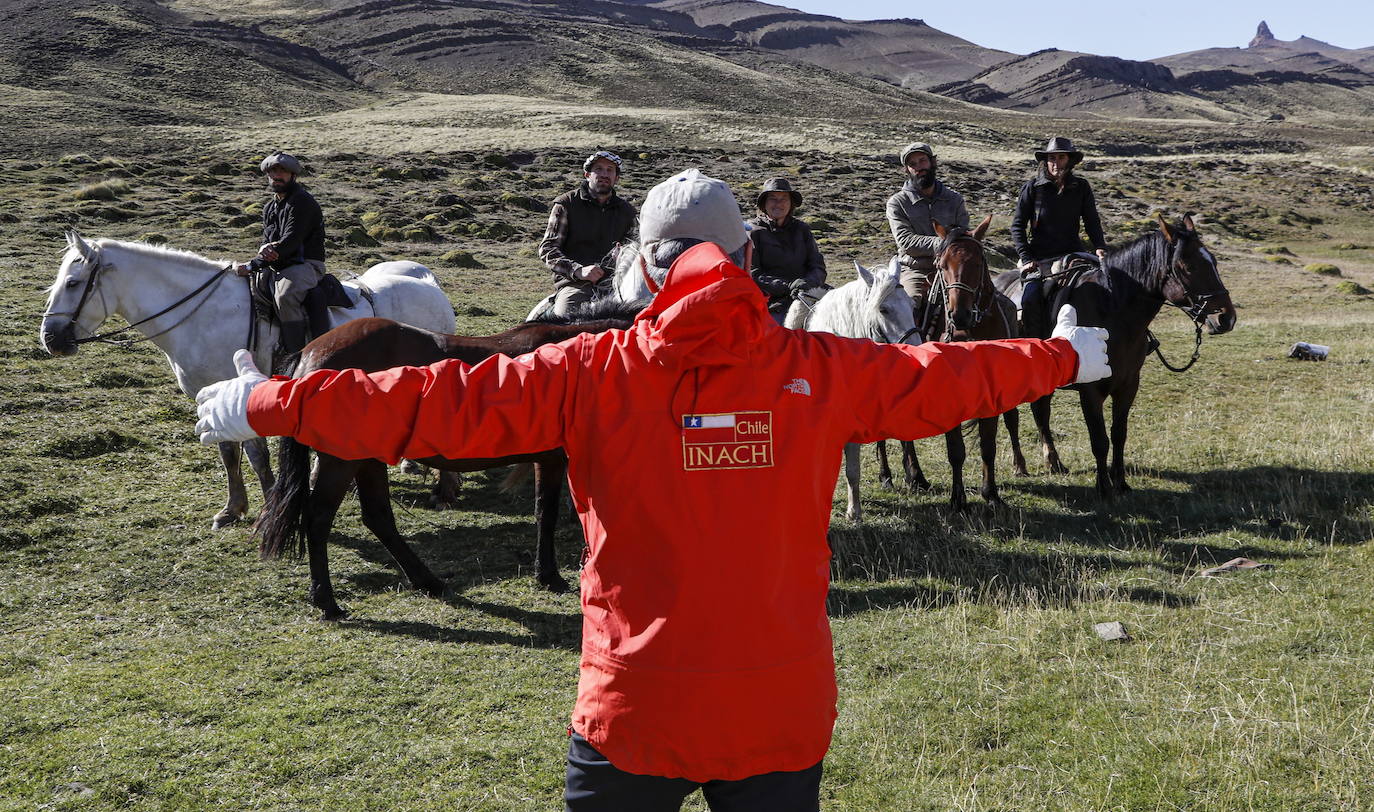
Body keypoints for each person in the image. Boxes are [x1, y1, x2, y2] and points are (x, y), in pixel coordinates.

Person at [196, 169, 1109, 811]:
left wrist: (274, 401)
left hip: (633, 708)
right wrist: (1060, 357)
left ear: (645, 263)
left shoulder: (587, 370)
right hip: (781, 708)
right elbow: (948, 377)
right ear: (746, 253)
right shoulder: (821, 368)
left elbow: (431, 402)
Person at [1010, 137, 1109, 338]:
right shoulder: (1033, 188)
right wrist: (1027, 258)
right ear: (1045, 161)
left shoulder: (1081, 187)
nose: (1055, 162)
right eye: (1051, 158)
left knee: (1108, 286)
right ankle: (1034, 342)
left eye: (1061, 157)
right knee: (1030, 298)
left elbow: (1091, 221)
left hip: (1073, 253)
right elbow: (1017, 226)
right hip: (1039, 258)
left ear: (1069, 160)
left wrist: (1099, 246)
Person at [234, 151, 325, 354]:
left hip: (305, 265)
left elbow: (290, 243)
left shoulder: (302, 202)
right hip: (276, 264)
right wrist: (263, 255)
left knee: (285, 296)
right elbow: (268, 243)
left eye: (282, 171)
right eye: (272, 172)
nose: (277, 176)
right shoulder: (269, 207)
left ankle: (297, 354)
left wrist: (252, 265)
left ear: (293, 175)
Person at [538, 150, 637, 316]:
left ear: (616, 178)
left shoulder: (627, 212)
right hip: (576, 285)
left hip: (617, 285)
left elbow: (637, 249)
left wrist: (624, 255)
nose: (604, 174)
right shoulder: (566, 204)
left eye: (610, 170)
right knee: (566, 324)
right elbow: (548, 249)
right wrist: (578, 270)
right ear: (587, 174)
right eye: (598, 169)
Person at [885, 141, 970, 319]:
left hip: (953, 269)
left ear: (933, 162)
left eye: (922, 161)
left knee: (992, 301)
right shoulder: (898, 203)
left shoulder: (954, 200)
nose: (919, 167)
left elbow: (964, 237)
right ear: (906, 170)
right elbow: (906, 242)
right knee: (909, 306)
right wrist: (945, 242)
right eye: (912, 164)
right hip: (916, 270)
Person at [748, 177, 826, 324]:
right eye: (773, 199)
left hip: (807, 294)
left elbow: (818, 266)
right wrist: (788, 286)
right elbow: (753, 274)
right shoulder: (753, 232)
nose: (778, 203)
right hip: (771, 302)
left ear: (791, 204)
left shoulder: (802, 229)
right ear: (764, 203)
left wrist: (807, 284)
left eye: (784, 198)